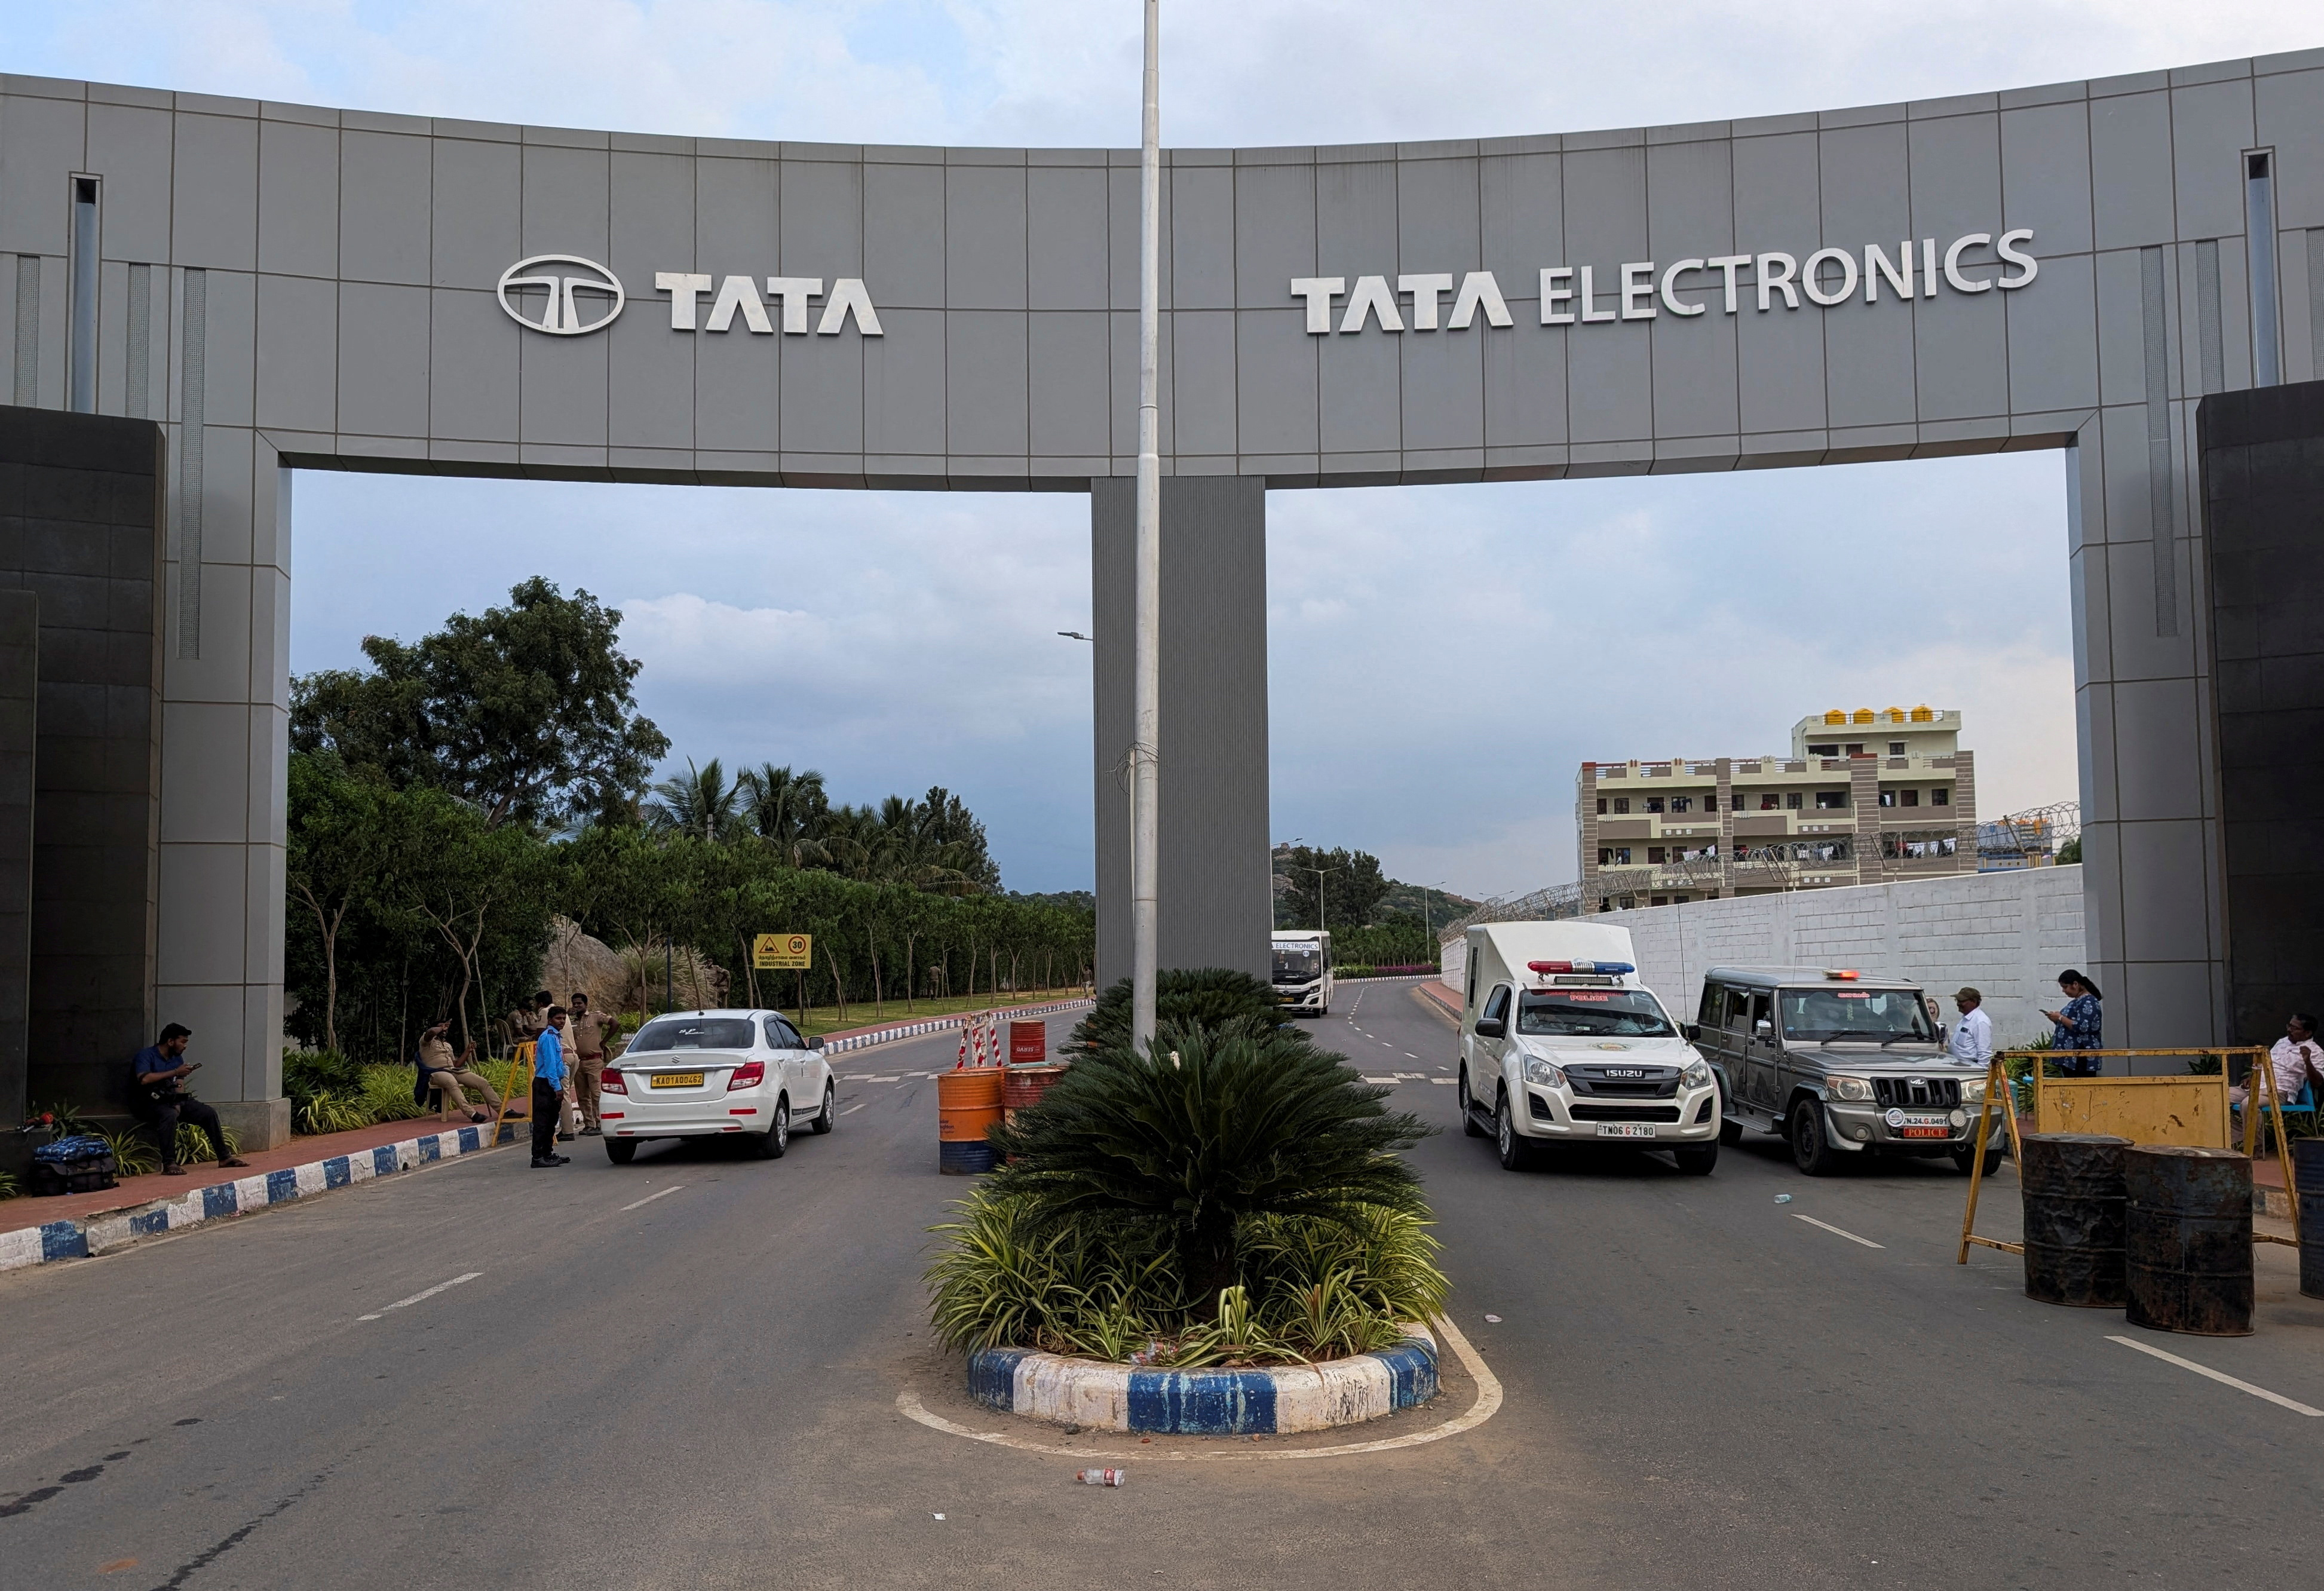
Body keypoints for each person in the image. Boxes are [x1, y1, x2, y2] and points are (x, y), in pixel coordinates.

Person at [130, 1023, 250, 1176]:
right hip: (147, 1103)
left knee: (208, 1113)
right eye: (183, 1042)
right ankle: (169, 1163)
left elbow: (179, 1082)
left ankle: (224, 1157)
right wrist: (174, 1072)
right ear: (170, 1042)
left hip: (170, 1099)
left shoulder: (177, 1058)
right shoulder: (147, 1055)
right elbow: (144, 1079)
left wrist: (179, 1100)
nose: (185, 1046)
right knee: (169, 1115)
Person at [2230, 1012, 2323, 1113]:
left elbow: (2318, 1083)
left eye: (2294, 1028)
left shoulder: (2315, 1051)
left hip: (2279, 1093)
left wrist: (2308, 1061)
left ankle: (2252, 1130)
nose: (2289, 1030)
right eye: (2289, 1026)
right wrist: (2252, 1077)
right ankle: (2240, 1130)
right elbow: (2268, 1064)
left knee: (2249, 1104)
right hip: (2255, 1087)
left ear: (2308, 1033)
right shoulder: (2282, 1042)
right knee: (2217, 1098)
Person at [416, 1019, 500, 1124]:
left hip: (453, 1070)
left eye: (445, 1027)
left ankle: (503, 1110)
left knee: (482, 1082)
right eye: (441, 1027)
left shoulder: (447, 1045)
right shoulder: (426, 1041)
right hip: (436, 1073)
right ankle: (472, 1114)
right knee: (452, 1082)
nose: (444, 1029)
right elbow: (431, 1032)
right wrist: (441, 1027)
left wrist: (468, 1050)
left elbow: (456, 1064)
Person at [567, 992, 621, 1138]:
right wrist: (567, 1016)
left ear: (586, 1004)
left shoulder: (596, 1016)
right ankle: (589, 1124)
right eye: (574, 1004)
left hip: (594, 1061)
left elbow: (615, 1023)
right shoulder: (570, 1021)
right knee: (582, 1095)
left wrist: (604, 1042)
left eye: (579, 1003)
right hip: (578, 1061)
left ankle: (599, 1123)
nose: (577, 1006)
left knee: (596, 1093)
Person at [2040, 970, 2104, 1077]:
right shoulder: (2077, 1001)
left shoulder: (2089, 1002)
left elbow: (2083, 1027)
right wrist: (2057, 1020)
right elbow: (2071, 1026)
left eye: (2065, 987)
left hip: (2080, 1057)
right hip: (2070, 1058)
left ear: (2075, 984)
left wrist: (2060, 1017)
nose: (2064, 991)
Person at [531, 1008, 570, 1168]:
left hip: (552, 1082)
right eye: (558, 1018)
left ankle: (547, 1154)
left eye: (564, 1018)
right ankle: (538, 1157)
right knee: (542, 1122)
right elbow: (550, 1066)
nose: (562, 1021)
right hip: (545, 1083)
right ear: (550, 1020)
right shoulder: (547, 1038)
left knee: (551, 1121)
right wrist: (557, 1087)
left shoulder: (556, 1037)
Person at [1948, 987, 1994, 1068]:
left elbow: (1985, 1053)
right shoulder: (1966, 1019)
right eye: (1957, 1000)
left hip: (1970, 1068)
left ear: (1974, 1002)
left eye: (1962, 1001)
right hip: (1959, 1067)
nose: (1958, 1004)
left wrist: (1980, 1074)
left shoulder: (1980, 1022)